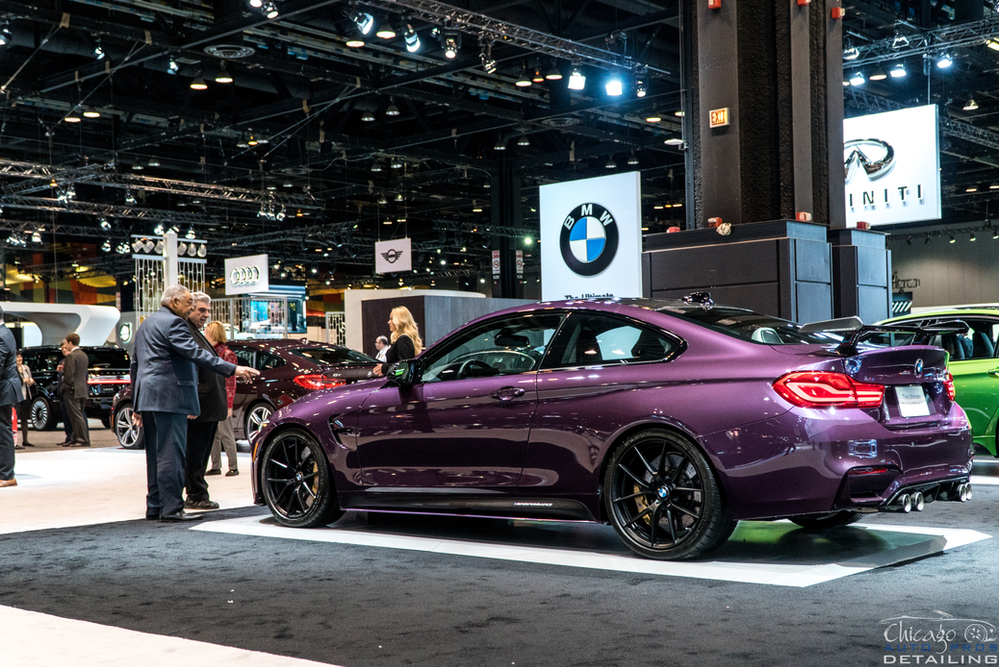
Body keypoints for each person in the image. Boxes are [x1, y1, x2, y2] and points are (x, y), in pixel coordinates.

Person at [131, 285, 258, 522]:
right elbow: (196, 354)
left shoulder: (146, 324)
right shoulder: (175, 324)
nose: (191, 307)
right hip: (170, 397)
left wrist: (137, 400)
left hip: (148, 397)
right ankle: (172, 509)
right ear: (175, 301)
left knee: (155, 456)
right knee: (172, 455)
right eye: (189, 302)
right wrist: (233, 369)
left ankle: (155, 506)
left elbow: (135, 364)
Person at [183, 293, 230, 510]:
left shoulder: (196, 333)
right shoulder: (186, 333)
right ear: (189, 308)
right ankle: (196, 495)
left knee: (200, 453)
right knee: (196, 453)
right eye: (201, 310)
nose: (206, 314)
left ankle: (197, 492)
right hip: (199, 406)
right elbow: (190, 370)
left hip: (206, 405)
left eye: (207, 311)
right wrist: (192, 403)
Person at [205, 321, 239, 477]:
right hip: (212, 398)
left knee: (226, 433)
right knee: (213, 435)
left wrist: (229, 405)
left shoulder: (227, 354)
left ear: (213, 333)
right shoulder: (208, 352)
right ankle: (215, 466)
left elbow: (230, 382)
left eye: (207, 331)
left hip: (223, 399)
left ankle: (233, 467)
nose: (204, 333)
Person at [0, 305, 23, 488]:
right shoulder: (5, 333)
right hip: (5, 388)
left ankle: (7, 475)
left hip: (3, 390)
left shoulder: (1, 336)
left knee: (3, 432)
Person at [371, 306, 424, 377]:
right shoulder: (403, 339)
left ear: (400, 321)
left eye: (391, 319)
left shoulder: (404, 340)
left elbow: (404, 367)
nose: (389, 322)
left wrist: (385, 368)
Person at [60, 333, 90, 448]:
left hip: (73, 390)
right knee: (80, 415)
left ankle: (81, 439)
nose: (65, 345)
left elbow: (69, 375)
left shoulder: (71, 356)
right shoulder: (83, 355)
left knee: (75, 416)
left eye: (66, 343)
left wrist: (65, 387)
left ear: (70, 343)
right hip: (82, 389)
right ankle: (75, 438)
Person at [15, 353, 34, 448]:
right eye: (17, 356)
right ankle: (14, 441)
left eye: (20, 356)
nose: (19, 358)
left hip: (26, 395)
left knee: (25, 418)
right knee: (15, 419)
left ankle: (25, 440)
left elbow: (30, 379)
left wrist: (30, 381)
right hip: (16, 396)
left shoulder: (26, 368)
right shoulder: (12, 369)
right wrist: (24, 381)